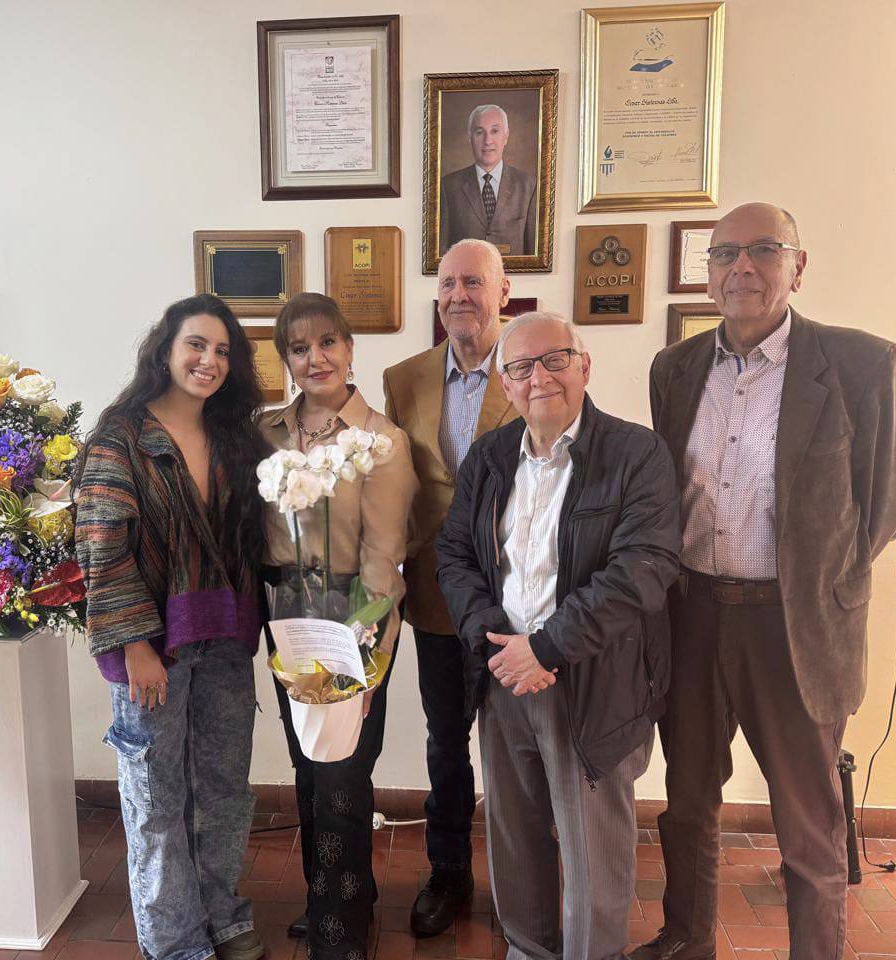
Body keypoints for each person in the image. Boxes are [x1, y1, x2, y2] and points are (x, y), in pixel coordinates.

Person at [633, 203, 896, 960]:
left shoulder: (860, 365)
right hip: (693, 616)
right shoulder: (677, 368)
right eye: (725, 254)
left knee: (806, 820)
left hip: (796, 626)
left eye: (763, 251)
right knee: (688, 800)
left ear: (798, 265)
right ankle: (686, 939)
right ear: (709, 271)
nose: (742, 268)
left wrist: (828, 586)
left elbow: (885, 500)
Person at [436, 311, 680, 960]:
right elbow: (453, 555)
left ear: (584, 367)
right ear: (506, 385)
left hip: (593, 681)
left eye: (554, 360)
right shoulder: (490, 457)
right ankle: (529, 951)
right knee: (515, 844)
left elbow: (644, 568)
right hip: (503, 677)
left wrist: (545, 648)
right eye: (519, 367)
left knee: (593, 856)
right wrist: (495, 639)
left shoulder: (636, 454)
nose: (537, 377)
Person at [75, 294, 271, 960]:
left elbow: (259, 537)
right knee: (156, 803)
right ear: (166, 348)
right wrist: (135, 645)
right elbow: (103, 545)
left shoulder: (237, 436)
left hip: (226, 642)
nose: (208, 361)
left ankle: (223, 915)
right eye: (196, 344)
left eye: (222, 351)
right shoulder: (120, 435)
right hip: (152, 649)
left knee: (222, 790)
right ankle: (176, 942)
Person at [260, 292, 418, 960]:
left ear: (351, 348)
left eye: (328, 342)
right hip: (286, 617)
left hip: (354, 618)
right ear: (286, 359)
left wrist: (367, 656)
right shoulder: (264, 434)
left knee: (344, 773)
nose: (315, 358)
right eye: (299, 347)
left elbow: (385, 558)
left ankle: (342, 919)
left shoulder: (381, 440)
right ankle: (329, 889)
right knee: (306, 766)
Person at [382, 238, 518, 936]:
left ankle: (527, 879)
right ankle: (449, 873)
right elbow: (397, 486)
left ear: (503, 293)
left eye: (474, 282)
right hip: (435, 596)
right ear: (436, 297)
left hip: (520, 598)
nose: (460, 295)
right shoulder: (403, 378)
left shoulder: (534, 364)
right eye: (448, 284)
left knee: (524, 743)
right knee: (446, 744)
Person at [439, 105, 538, 256]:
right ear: (470, 138)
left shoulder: (529, 185)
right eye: (480, 132)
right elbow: (441, 255)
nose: (488, 141)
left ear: (506, 137)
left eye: (495, 131)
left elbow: (534, 255)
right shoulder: (448, 187)